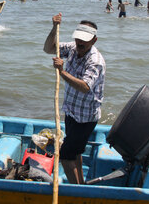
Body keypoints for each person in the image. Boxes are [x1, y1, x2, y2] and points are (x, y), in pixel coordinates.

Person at [43, 13, 106, 184]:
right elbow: (49, 48)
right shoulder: (73, 47)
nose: (80, 44)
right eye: (78, 39)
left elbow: (85, 86)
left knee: (65, 155)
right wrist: (54, 28)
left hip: (85, 117)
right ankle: (81, 184)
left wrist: (62, 72)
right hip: (71, 111)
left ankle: (76, 189)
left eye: (84, 41)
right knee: (76, 153)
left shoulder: (95, 61)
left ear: (94, 40)